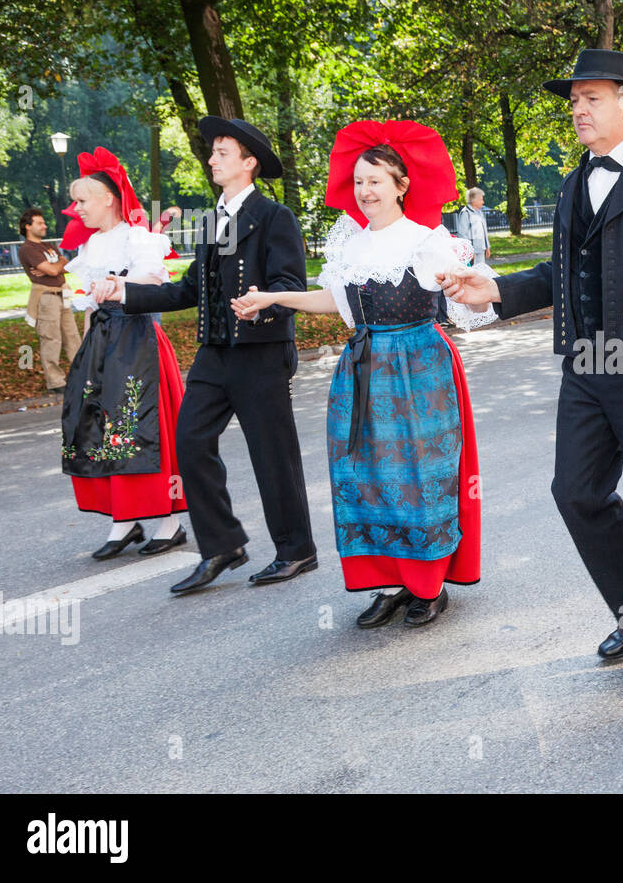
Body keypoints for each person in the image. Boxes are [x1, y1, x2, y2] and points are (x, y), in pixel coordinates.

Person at [441, 48, 623, 695]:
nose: (577, 108)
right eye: (573, 99)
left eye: (591, 97)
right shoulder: (575, 181)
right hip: (586, 362)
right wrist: (493, 290)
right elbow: (557, 272)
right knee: (575, 492)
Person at [233, 120, 493, 628]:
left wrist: (461, 283)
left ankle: (428, 584)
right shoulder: (349, 245)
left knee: (420, 475)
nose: (364, 191)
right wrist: (272, 296)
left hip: (419, 367)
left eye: (375, 180)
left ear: (401, 185)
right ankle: (390, 580)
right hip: (362, 367)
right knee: (367, 474)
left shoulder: (426, 240)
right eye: (358, 181)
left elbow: (467, 298)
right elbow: (338, 300)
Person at [102, 117, 317, 594]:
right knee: (190, 441)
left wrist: (263, 302)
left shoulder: (274, 217)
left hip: (261, 352)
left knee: (272, 455)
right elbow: (188, 291)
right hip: (214, 355)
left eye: (221, 152)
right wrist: (124, 293)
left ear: (248, 163)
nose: (212, 159)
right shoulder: (211, 220)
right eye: (212, 152)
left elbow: (290, 286)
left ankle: (296, 549)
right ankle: (221, 545)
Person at [59, 148, 187, 559]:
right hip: (101, 342)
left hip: (137, 339)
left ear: (108, 199)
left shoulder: (139, 237)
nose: (76, 209)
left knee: (143, 425)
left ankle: (170, 521)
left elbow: (154, 277)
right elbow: (87, 302)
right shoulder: (92, 246)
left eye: (82, 200)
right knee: (99, 425)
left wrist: (117, 282)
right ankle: (123, 519)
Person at [18, 207, 81, 394]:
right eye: (39, 223)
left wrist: (56, 265)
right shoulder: (27, 249)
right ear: (28, 227)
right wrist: (57, 266)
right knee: (51, 339)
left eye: (43, 222)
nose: (44, 225)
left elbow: (66, 265)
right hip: (46, 298)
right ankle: (56, 382)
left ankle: (81, 375)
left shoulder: (49, 246)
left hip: (63, 295)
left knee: (72, 337)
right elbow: (54, 270)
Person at [454, 187, 491, 266]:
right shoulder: (466, 213)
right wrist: (469, 251)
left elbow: (484, 231)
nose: (483, 202)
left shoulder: (480, 212)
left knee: (481, 269)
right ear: (474, 200)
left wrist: (487, 247)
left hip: (481, 248)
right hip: (473, 250)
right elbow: (462, 234)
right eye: (481, 199)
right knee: (473, 272)